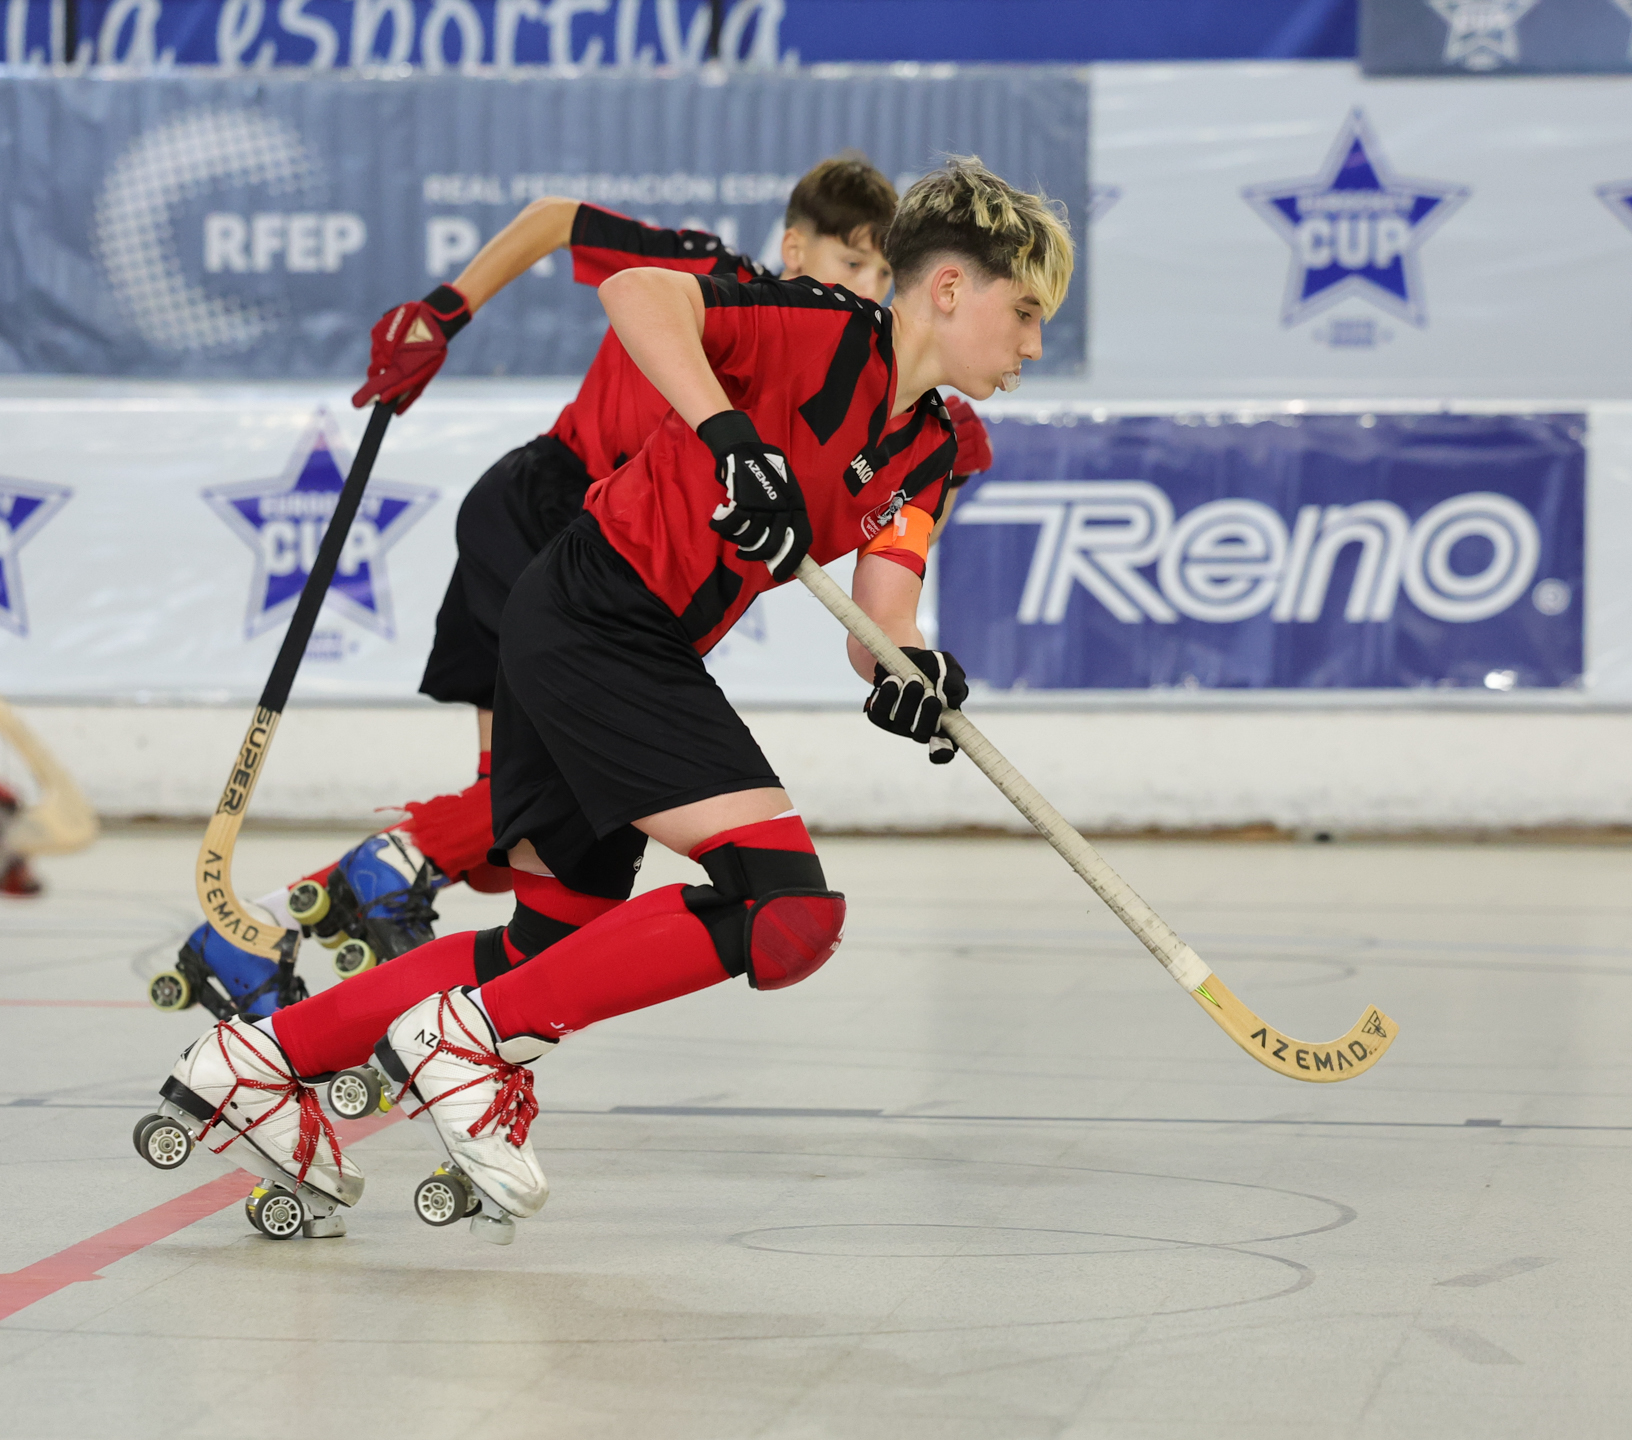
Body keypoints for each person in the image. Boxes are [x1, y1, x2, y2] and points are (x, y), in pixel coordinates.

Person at [146, 157, 1068, 1231]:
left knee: (549, 938)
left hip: (616, 634)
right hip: (597, 612)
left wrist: (915, 677)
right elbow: (638, 291)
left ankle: (253, 1062)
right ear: (950, 289)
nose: (1033, 346)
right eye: (1026, 312)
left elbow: (883, 622)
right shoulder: (822, 326)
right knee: (784, 908)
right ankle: (467, 1043)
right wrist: (729, 436)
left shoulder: (928, 449)